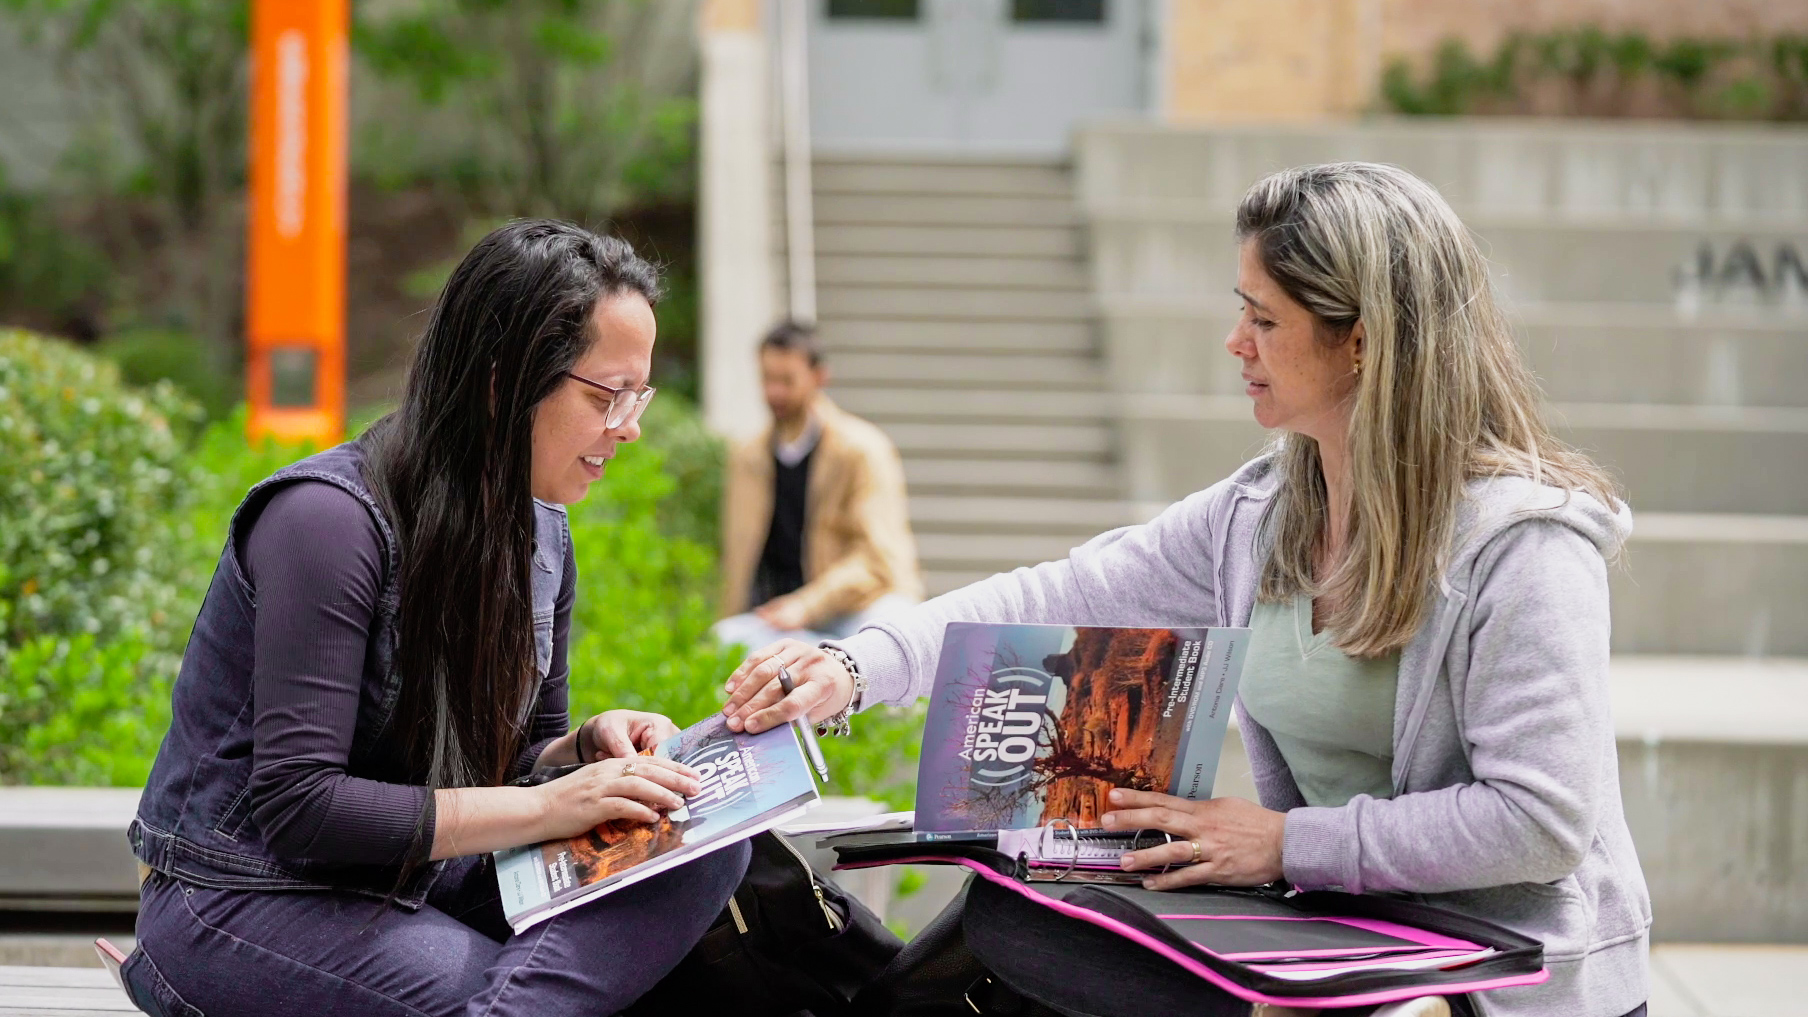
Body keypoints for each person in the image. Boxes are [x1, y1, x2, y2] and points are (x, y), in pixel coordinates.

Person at [719, 164, 1652, 1017]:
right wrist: (853, 663)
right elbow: (1062, 591)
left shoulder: (1524, 547)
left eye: (1266, 318)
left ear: (1362, 342)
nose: (1235, 341)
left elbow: (1541, 821)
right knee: (1014, 928)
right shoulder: (1260, 512)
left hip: (1495, 975)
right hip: (1329, 936)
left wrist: (1288, 843)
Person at [123, 221, 748, 1017]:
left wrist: (583, 751)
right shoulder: (324, 523)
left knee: (702, 844)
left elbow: (516, 765)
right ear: (502, 382)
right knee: (524, 991)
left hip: (417, 882)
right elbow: (300, 808)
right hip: (244, 897)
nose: (630, 426)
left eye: (640, 395)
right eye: (607, 395)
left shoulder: (543, 535)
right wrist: (555, 804)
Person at [712, 319, 923, 650]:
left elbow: (877, 558)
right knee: (725, 640)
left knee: (894, 625)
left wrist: (808, 605)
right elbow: (738, 560)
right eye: (767, 379)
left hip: (853, 612)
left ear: (819, 377)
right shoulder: (748, 458)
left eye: (787, 380)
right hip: (780, 620)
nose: (774, 392)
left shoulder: (863, 450)